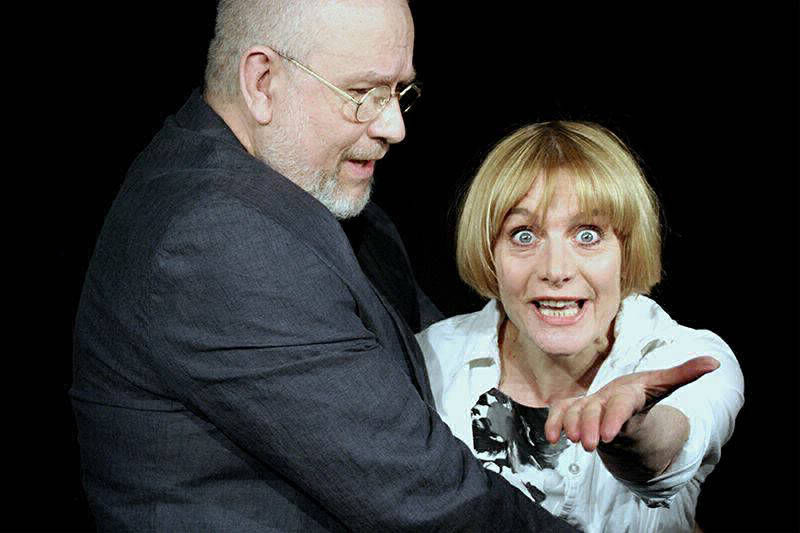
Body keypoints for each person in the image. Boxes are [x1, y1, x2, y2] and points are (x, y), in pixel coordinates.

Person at [70, 1, 577, 531]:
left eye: (399, 91)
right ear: (262, 82)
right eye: (363, 93)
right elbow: (424, 495)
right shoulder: (220, 240)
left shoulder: (307, 195)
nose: (394, 126)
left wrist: (609, 363)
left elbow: (446, 357)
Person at [416, 121, 744, 532]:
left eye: (588, 235)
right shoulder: (427, 360)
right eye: (523, 235)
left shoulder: (689, 358)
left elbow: (670, 450)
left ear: (626, 249)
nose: (556, 270)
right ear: (489, 251)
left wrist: (632, 434)